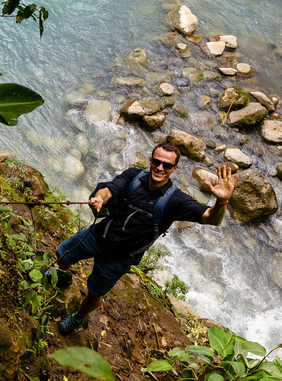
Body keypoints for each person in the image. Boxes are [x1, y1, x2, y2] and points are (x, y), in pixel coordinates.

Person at [46, 142, 237, 335]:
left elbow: (210, 218)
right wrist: (100, 197)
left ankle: (78, 317)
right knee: (63, 253)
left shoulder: (175, 200)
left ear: (174, 169)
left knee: (95, 292)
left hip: (120, 258)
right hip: (99, 235)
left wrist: (221, 201)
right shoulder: (133, 176)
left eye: (167, 165)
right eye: (157, 161)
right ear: (150, 160)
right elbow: (111, 189)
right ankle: (64, 276)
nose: (160, 168)